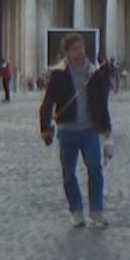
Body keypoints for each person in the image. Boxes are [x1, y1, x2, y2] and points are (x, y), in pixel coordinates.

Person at [39, 33, 115, 228]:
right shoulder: (59, 74)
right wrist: (45, 128)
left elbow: (101, 104)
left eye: (81, 47)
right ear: (67, 52)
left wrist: (107, 132)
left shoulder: (94, 72)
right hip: (67, 130)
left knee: (95, 169)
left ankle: (96, 210)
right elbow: (47, 103)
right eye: (75, 49)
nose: (80, 51)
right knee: (68, 173)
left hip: (89, 129)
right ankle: (76, 211)